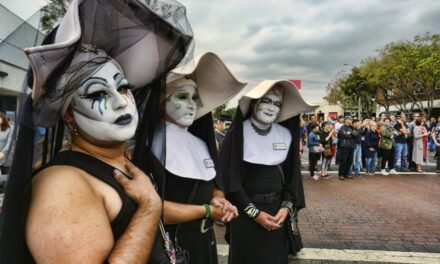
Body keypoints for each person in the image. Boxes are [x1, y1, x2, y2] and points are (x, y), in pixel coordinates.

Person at [0, 0, 194, 262]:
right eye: (98, 93)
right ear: (68, 114)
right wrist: (150, 207)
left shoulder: (122, 161)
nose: (120, 101)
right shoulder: (61, 185)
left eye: (122, 87)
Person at [136, 52, 244, 264]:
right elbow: (149, 210)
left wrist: (217, 198)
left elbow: (212, 184)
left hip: (204, 243)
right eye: (182, 97)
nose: (192, 104)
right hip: (170, 246)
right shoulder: (149, 147)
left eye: (195, 97)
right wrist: (207, 211)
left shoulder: (202, 143)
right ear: (160, 102)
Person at [218, 80, 313, 263]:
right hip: (245, 214)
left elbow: (292, 179)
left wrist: (285, 209)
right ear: (254, 103)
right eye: (266, 101)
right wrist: (255, 214)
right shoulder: (238, 134)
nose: (271, 107)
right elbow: (231, 180)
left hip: (277, 214)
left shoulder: (285, 135)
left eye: (277, 103)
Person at [338, 116, 357, 180]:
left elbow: (356, 135)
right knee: (343, 160)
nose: (351, 120)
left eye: (351, 119)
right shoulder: (342, 127)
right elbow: (344, 135)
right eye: (350, 119)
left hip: (351, 146)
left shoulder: (352, 127)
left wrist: (350, 133)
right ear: (346, 120)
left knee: (350, 161)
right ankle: (341, 174)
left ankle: (346, 174)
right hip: (345, 146)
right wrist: (351, 134)